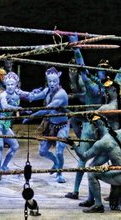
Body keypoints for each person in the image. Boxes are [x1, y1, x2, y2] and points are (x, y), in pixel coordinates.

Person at [65, 33, 114, 199]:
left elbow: (82, 68)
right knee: (104, 158)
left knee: (89, 159)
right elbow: (82, 69)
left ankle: (85, 194)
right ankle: (88, 194)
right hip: (101, 126)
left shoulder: (102, 87)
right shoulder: (104, 86)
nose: (102, 72)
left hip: (96, 126)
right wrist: (76, 48)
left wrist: (76, 47)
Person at [23, 67, 69, 183]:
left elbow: (47, 110)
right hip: (51, 125)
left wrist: (32, 116)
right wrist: (27, 93)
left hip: (62, 126)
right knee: (42, 151)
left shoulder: (61, 94)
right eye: (50, 81)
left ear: (58, 80)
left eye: (54, 81)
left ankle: (59, 174)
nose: (52, 84)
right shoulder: (47, 90)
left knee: (59, 151)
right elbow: (31, 98)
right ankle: (56, 162)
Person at [70, 127, 121, 213]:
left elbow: (84, 156)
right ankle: (91, 199)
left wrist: (73, 145)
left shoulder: (103, 142)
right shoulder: (117, 134)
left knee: (92, 173)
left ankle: (98, 205)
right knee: (92, 168)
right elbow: (94, 165)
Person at [0, 71, 29, 180]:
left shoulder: (16, 94)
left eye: (12, 84)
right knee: (0, 145)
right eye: (8, 85)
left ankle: (4, 165)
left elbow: (27, 94)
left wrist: (35, 94)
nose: (10, 87)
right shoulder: (3, 95)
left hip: (6, 125)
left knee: (15, 146)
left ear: (16, 85)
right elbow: (5, 106)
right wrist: (17, 108)